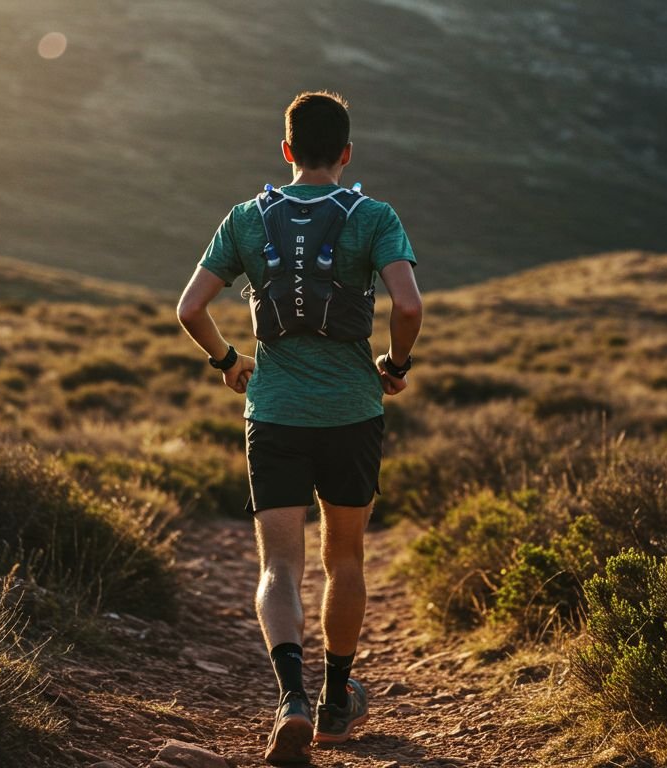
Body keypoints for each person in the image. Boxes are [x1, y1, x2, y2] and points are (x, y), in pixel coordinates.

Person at [176, 90, 423, 765]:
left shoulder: (245, 219)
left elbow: (190, 306)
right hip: (352, 413)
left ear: (285, 151)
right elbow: (407, 303)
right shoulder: (375, 217)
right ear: (345, 154)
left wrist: (228, 362)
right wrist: (395, 365)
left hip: (275, 414)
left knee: (277, 564)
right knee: (344, 559)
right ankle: (336, 705)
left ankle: (290, 699)